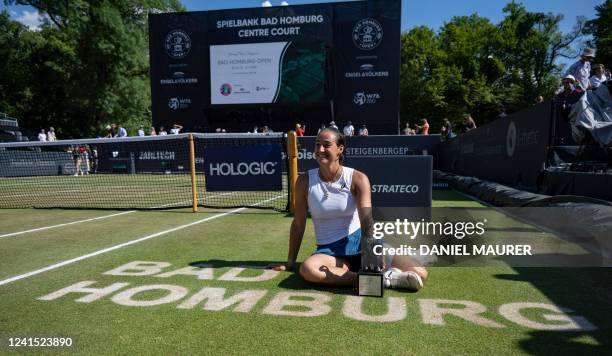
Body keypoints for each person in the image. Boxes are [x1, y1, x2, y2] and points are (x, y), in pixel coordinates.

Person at [266, 128, 427, 290]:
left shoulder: (358, 178)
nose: (320, 150)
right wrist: (290, 262)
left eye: (326, 145)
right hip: (331, 252)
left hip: (360, 243)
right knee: (308, 269)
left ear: (340, 149)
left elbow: (366, 219)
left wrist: (371, 251)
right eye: (317, 145)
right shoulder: (304, 181)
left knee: (420, 272)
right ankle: (366, 279)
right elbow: (298, 224)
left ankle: (387, 275)